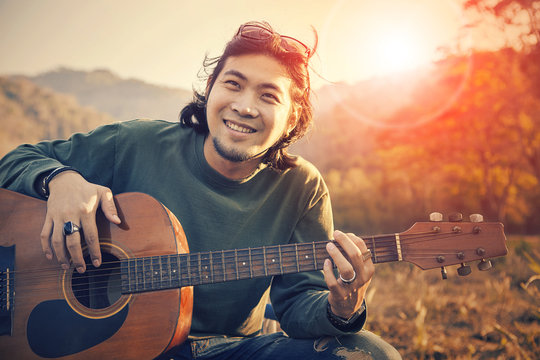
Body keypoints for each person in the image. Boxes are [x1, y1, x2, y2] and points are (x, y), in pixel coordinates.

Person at [0, 21, 401, 359]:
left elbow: (298, 303)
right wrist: (60, 180)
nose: (244, 106)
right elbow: (14, 163)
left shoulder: (302, 187)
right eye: (233, 84)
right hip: (104, 347)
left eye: (268, 96)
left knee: (367, 353)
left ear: (292, 115)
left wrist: (341, 307)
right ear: (210, 88)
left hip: (224, 350)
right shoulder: (137, 143)